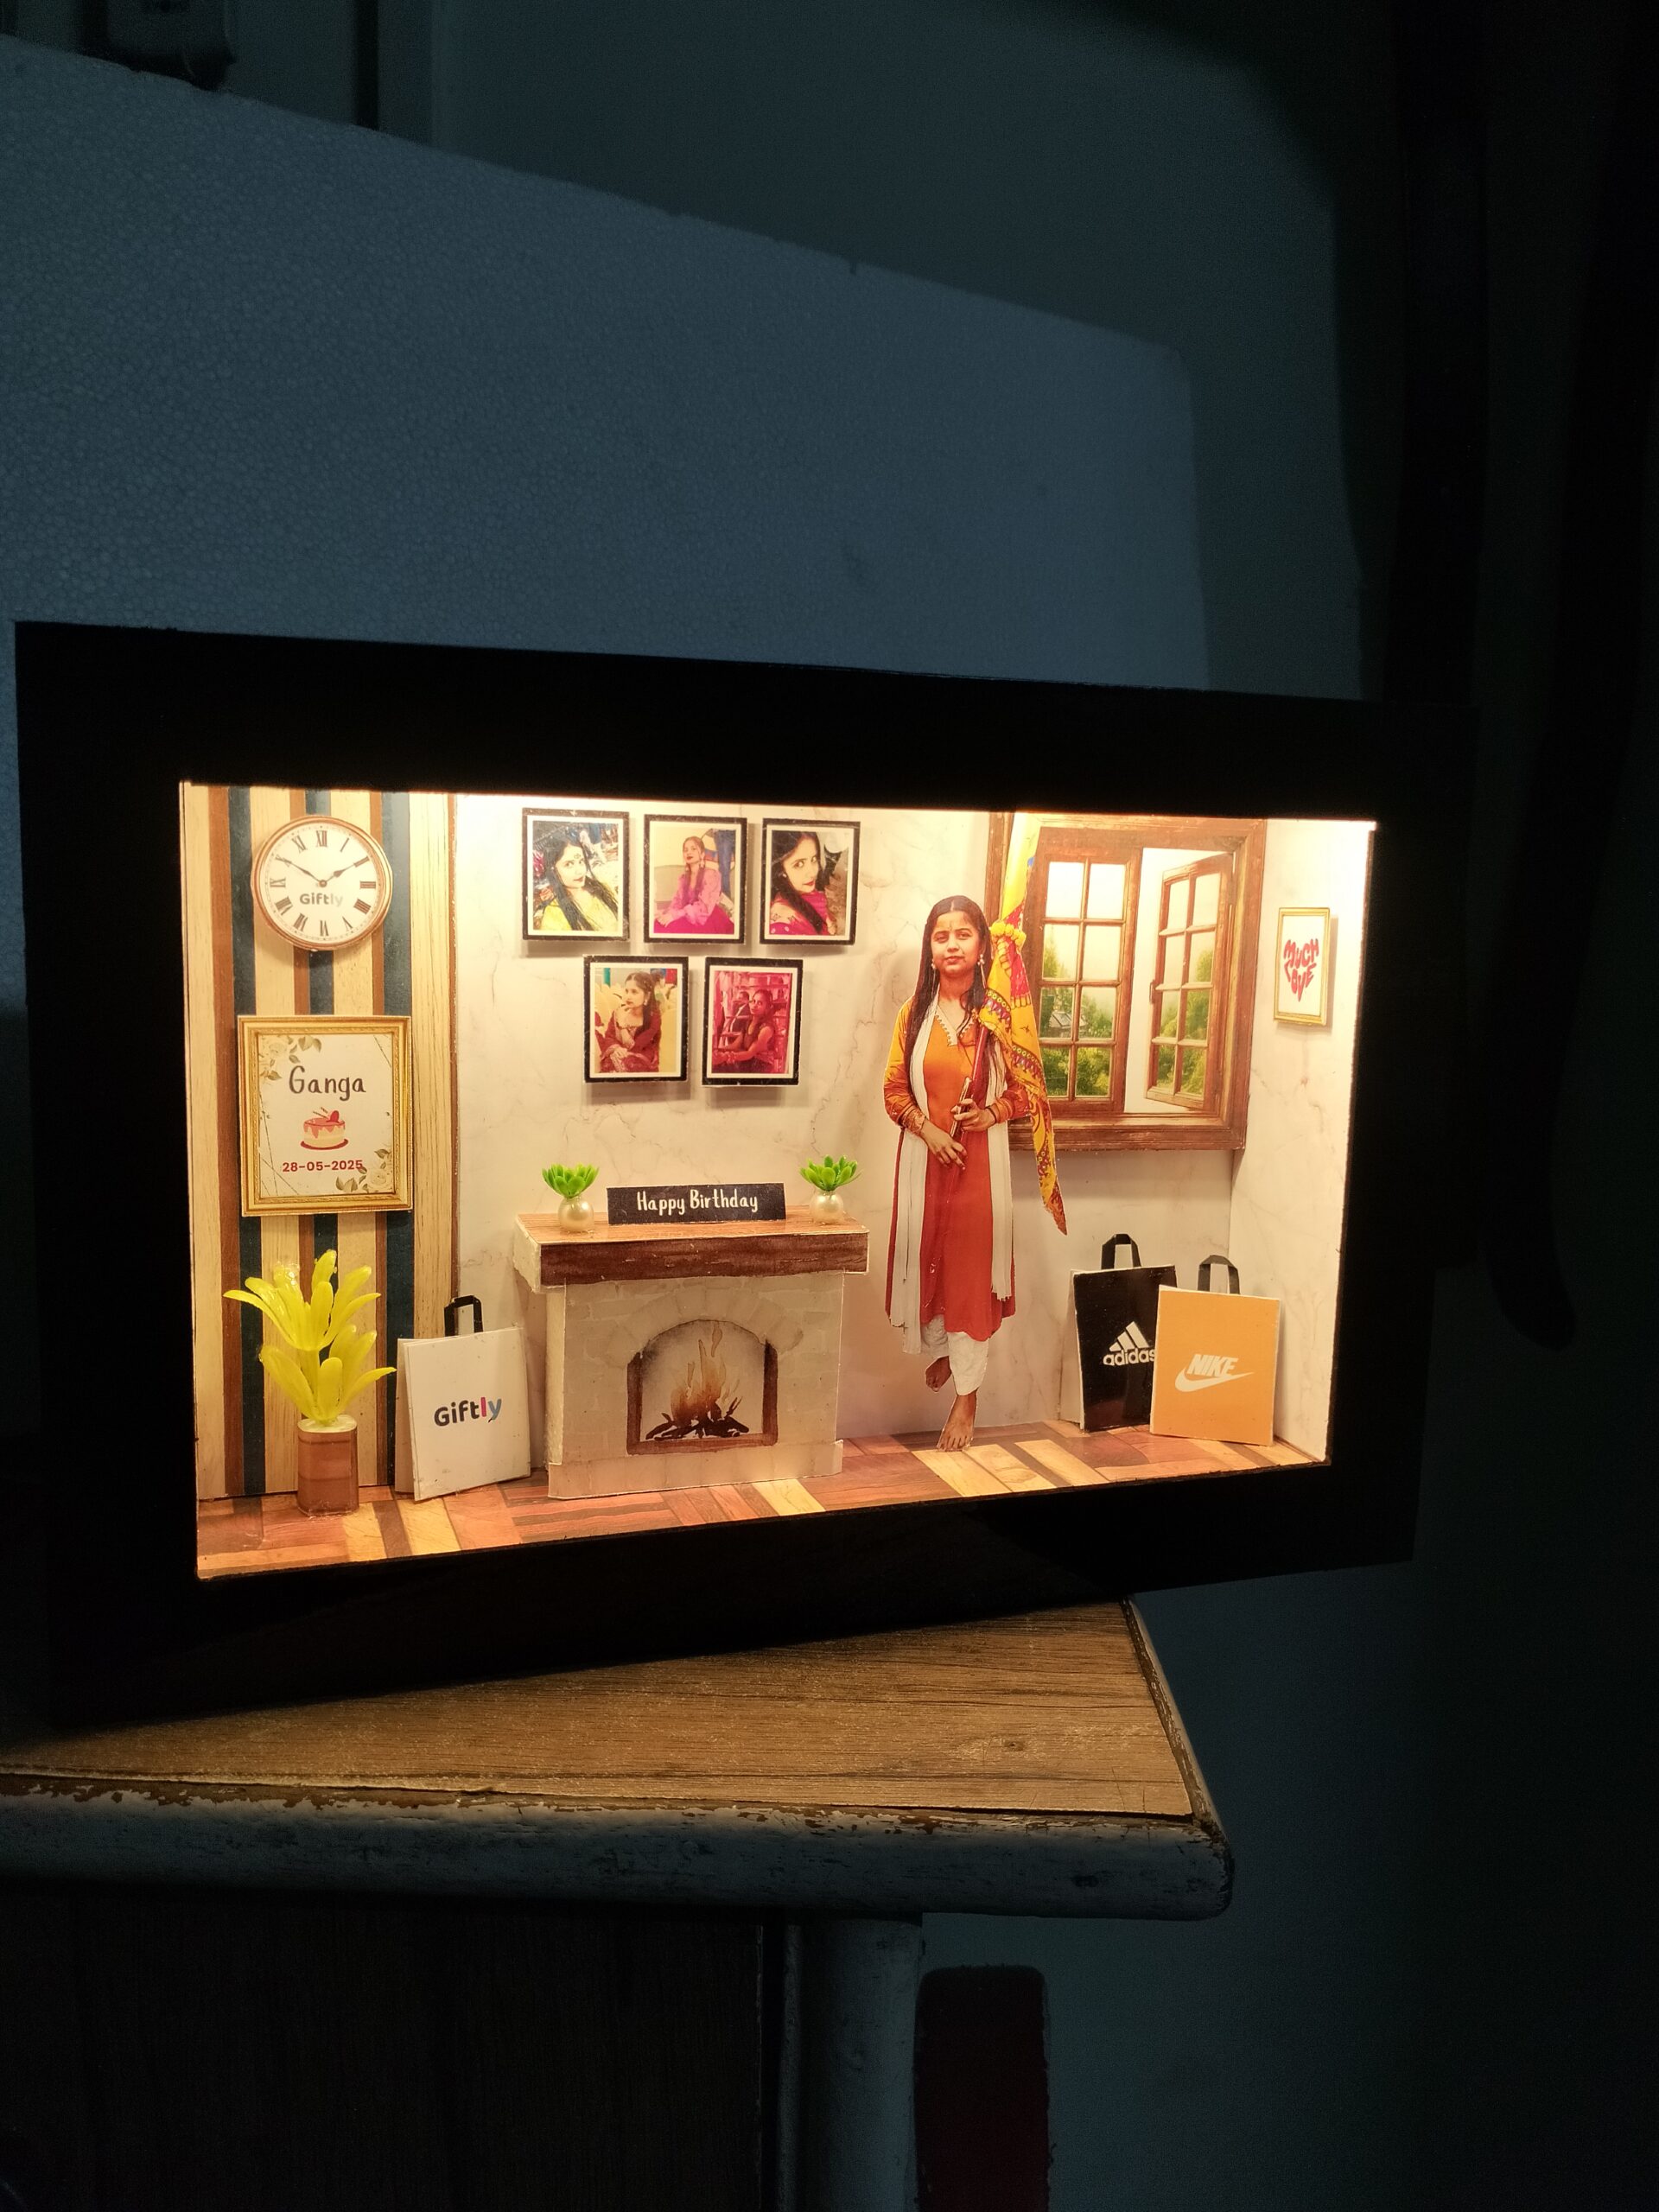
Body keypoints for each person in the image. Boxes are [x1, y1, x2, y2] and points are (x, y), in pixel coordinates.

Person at [883, 894, 1029, 1451]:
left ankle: (967, 1398)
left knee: (969, 1278)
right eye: (941, 936)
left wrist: (989, 1113)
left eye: (962, 934)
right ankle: (948, 1350)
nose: (951, 945)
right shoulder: (912, 1015)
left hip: (978, 1172)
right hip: (926, 1165)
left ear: (982, 945)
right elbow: (893, 1091)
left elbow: (1027, 1092)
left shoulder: (999, 1016)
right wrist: (929, 1130)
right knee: (932, 1267)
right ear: (930, 948)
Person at [534, 831, 620, 933]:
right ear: (553, 870)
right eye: (569, 864)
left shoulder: (602, 887)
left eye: (581, 861)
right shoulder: (554, 916)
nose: (580, 871)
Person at [654, 831, 734, 934]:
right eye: (685, 850)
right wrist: (666, 914)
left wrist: (675, 915)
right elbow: (677, 902)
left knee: (673, 928)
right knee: (658, 925)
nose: (689, 852)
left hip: (707, 918)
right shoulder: (683, 879)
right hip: (687, 915)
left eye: (693, 849)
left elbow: (703, 908)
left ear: (702, 854)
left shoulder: (711, 875)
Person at [767, 830, 836, 936]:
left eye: (814, 859)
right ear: (781, 870)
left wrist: (828, 922)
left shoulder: (804, 887)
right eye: (799, 864)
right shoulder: (782, 927)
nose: (813, 872)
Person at [594, 970, 664, 1074]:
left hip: (643, 1058)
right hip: (619, 1054)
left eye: (634, 992)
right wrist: (617, 1049)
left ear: (647, 996)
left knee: (625, 1063)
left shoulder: (654, 1018)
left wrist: (622, 1026)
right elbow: (609, 1037)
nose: (628, 996)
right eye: (626, 991)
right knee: (612, 1060)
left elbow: (636, 1047)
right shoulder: (617, 1012)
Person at [716, 983, 781, 1071]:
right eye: (753, 1001)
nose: (755, 1005)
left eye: (760, 1003)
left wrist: (726, 1056)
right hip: (748, 1061)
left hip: (761, 1067)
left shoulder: (767, 1028)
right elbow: (736, 1045)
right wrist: (718, 1050)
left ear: (767, 1008)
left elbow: (750, 1053)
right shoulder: (748, 1023)